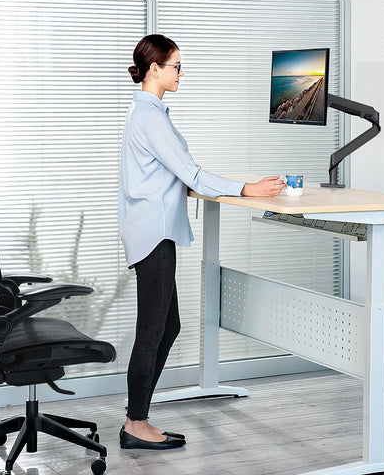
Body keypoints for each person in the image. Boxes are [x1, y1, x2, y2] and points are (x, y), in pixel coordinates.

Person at [118, 34, 284, 450]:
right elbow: (190, 173)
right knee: (152, 331)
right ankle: (135, 424)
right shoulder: (150, 117)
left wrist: (221, 185)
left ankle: (137, 418)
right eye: (175, 66)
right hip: (152, 233)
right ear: (154, 69)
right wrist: (248, 188)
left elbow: (176, 172)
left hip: (153, 228)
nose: (180, 73)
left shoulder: (148, 112)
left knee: (167, 326)